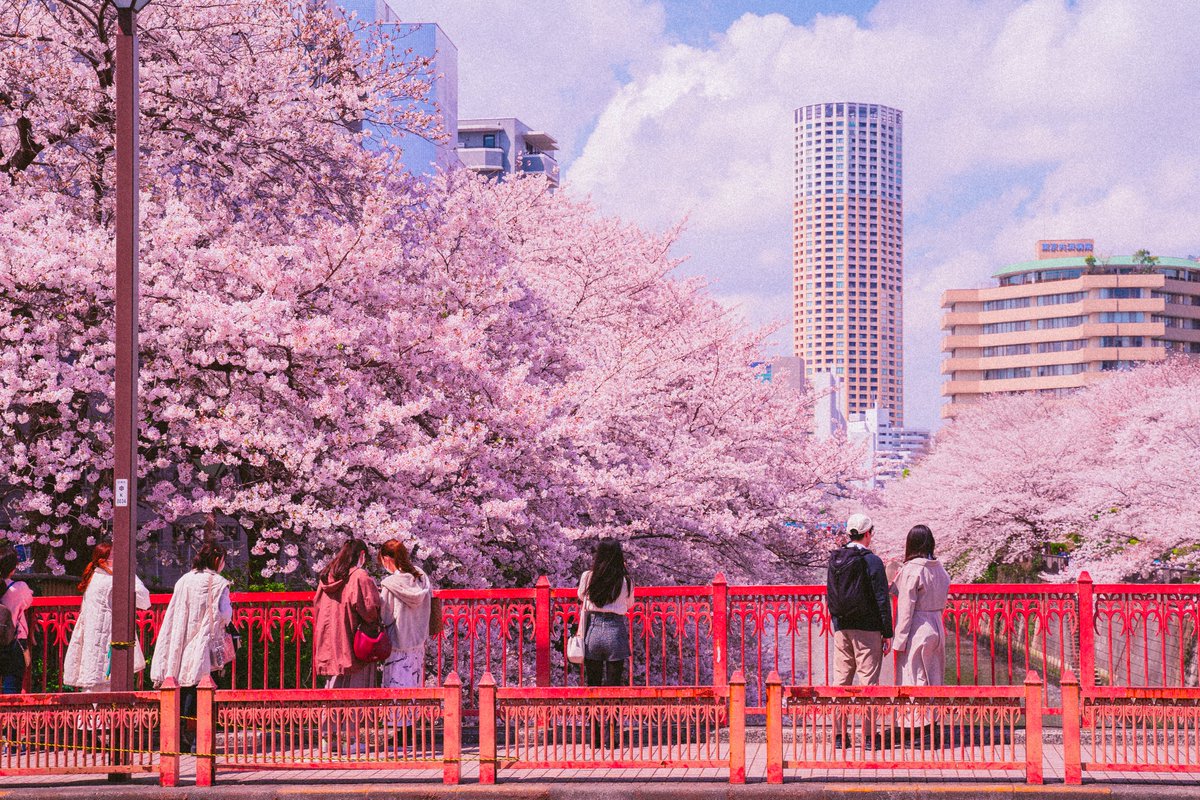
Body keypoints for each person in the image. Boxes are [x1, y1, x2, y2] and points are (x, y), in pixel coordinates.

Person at [150, 542, 232, 751]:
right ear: (216, 560)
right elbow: (224, 613)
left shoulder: (184, 580)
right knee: (203, 688)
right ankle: (199, 742)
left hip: (181, 638)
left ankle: (177, 739)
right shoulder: (218, 582)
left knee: (184, 685)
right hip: (205, 640)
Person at [63, 541, 152, 692]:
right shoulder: (113, 581)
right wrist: (130, 575)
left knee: (91, 687)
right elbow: (144, 601)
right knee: (109, 685)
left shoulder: (93, 579)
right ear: (104, 561)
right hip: (110, 639)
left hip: (91, 639)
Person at [826, 513, 893, 687]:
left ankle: (837, 715)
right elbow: (881, 599)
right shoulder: (873, 561)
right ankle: (867, 716)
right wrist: (887, 633)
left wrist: (837, 622)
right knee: (868, 684)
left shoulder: (836, 559)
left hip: (842, 627)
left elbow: (831, 592)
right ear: (868, 534)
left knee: (840, 682)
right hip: (868, 629)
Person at [313, 539, 382, 689]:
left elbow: (317, 605)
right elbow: (370, 610)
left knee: (333, 684)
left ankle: (330, 713)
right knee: (356, 688)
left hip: (327, 638)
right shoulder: (359, 576)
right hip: (351, 640)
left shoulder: (326, 577)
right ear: (362, 555)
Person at [892, 525, 951, 686]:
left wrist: (899, 641)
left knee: (914, 680)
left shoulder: (912, 570)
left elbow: (906, 609)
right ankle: (934, 712)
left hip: (918, 628)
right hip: (937, 625)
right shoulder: (940, 569)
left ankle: (916, 713)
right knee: (934, 679)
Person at [577, 539, 633, 688]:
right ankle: (611, 711)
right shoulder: (625, 580)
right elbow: (629, 604)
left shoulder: (588, 576)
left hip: (593, 631)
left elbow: (582, 596)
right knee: (613, 685)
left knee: (593, 683)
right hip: (615, 630)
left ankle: (592, 711)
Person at [378, 540, 431, 688]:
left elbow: (385, 616)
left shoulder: (389, 583)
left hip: (398, 642)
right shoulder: (421, 577)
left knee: (396, 689)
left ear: (387, 559)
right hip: (418, 642)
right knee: (414, 686)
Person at [0, 546, 33, 694]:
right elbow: (28, 601)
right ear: (12, 568)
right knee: (11, 689)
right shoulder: (19, 588)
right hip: (14, 641)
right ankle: (8, 717)